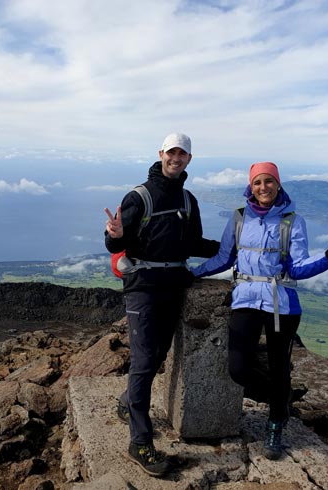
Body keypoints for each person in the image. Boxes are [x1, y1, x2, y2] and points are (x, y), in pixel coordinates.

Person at [190, 161, 328, 460]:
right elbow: (224, 258)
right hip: (245, 299)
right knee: (238, 369)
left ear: (278, 185)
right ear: (250, 187)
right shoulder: (240, 218)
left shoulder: (292, 221)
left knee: (280, 367)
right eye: (258, 183)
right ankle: (281, 401)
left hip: (283, 303)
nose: (263, 187)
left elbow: (298, 267)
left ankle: (275, 425)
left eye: (269, 182)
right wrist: (192, 274)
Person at [104, 133, 219, 477]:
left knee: (157, 355)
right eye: (172, 152)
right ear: (161, 154)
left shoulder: (188, 199)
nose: (176, 158)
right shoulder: (138, 196)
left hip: (174, 286)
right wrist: (113, 234)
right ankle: (139, 442)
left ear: (189, 159)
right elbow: (115, 245)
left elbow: (194, 242)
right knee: (142, 361)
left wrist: (237, 246)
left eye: (182, 154)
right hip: (143, 288)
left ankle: (128, 403)